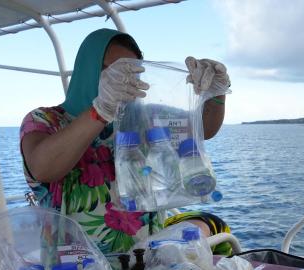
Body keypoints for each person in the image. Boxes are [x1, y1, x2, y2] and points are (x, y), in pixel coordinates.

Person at [20, 29, 232, 256]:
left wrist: (216, 95)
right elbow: (43, 168)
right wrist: (100, 110)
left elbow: (204, 128)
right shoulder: (45, 120)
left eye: (131, 72)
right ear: (86, 70)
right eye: (109, 71)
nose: (122, 80)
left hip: (148, 267)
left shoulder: (147, 118)